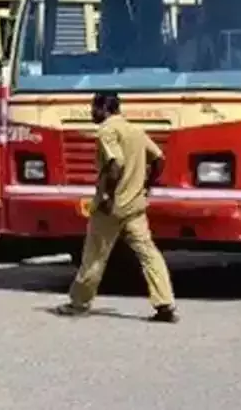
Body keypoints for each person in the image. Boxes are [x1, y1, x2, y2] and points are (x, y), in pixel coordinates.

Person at [54, 91, 178, 323]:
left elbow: (116, 162)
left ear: (103, 108)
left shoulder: (106, 131)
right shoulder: (135, 131)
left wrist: (109, 195)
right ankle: (165, 303)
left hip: (111, 208)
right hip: (135, 206)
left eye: (93, 108)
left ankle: (79, 303)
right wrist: (147, 185)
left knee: (94, 255)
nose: (91, 113)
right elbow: (159, 159)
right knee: (149, 253)